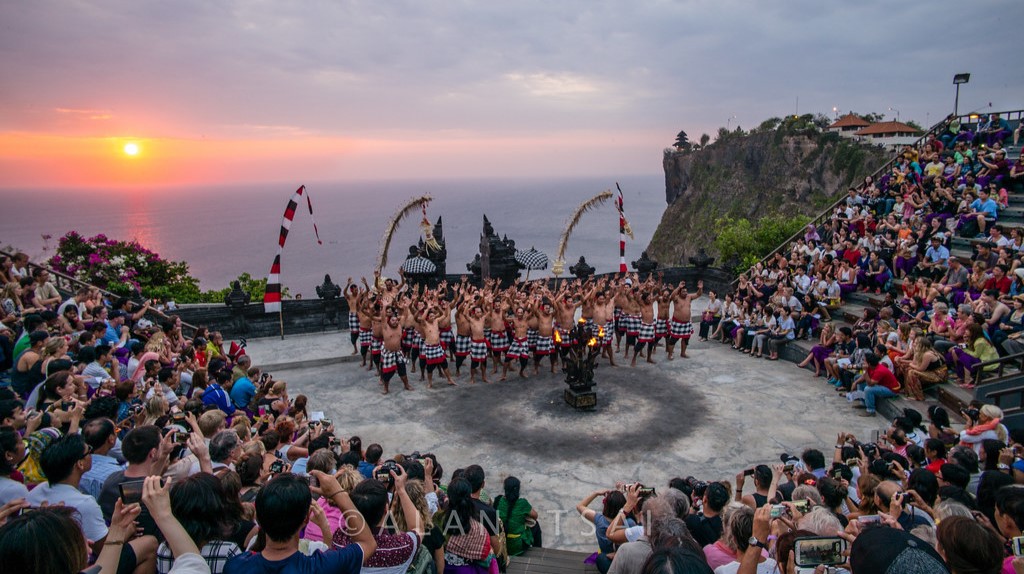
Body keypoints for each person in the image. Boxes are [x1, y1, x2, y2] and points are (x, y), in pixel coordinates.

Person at [27, 432, 158, 572]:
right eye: (89, 451)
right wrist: (127, 530)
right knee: (149, 542)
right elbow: (103, 549)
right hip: (81, 564)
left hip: (45, 561)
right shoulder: (84, 503)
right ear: (80, 464)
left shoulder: (34, 493)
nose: (92, 453)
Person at [223, 471, 376, 572]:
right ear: (306, 519)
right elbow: (368, 543)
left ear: (258, 519)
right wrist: (338, 492)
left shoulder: (235, 566)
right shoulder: (322, 567)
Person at [494, 476, 539, 556]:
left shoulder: (498, 501)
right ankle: (538, 549)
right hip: (518, 546)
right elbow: (535, 516)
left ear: (505, 489)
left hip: (502, 543)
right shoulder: (522, 503)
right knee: (536, 525)